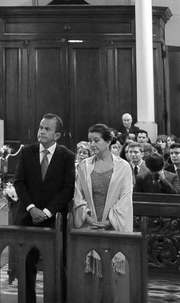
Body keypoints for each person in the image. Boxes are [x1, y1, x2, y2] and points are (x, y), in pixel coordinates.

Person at [10, 113, 76, 298]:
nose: (42, 131)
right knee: (26, 265)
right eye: (40, 127)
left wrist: (47, 212)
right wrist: (32, 208)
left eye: (47, 129)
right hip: (28, 217)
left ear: (57, 135)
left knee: (56, 265)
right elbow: (19, 182)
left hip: (54, 219)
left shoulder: (67, 156)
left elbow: (67, 189)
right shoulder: (27, 152)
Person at [73, 123, 134, 295]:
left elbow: (125, 198)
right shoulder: (83, 166)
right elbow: (78, 195)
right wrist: (86, 215)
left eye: (96, 140)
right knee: (90, 279)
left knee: (113, 276)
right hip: (90, 224)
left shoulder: (123, 167)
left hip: (113, 225)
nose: (92, 144)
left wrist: (110, 221)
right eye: (90, 140)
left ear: (108, 142)